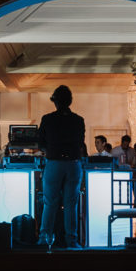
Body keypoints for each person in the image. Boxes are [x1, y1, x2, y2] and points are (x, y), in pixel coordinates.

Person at [36, 85, 85, 249]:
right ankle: (71, 240)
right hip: (73, 163)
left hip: (54, 162)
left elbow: (40, 143)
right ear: (70, 101)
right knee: (71, 204)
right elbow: (80, 143)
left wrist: (50, 148)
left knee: (50, 202)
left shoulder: (48, 119)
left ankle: (44, 238)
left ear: (55, 101)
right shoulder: (79, 120)